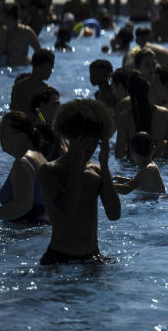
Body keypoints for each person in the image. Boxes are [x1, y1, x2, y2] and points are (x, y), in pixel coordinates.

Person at [37, 99, 121, 264]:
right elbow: (67, 213)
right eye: (84, 142)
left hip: (93, 256)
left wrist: (104, 165)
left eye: (94, 142)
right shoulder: (50, 171)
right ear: (70, 138)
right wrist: (76, 165)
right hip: (60, 257)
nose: (89, 148)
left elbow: (114, 214)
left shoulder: (96, 171)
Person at [0, 111, 48, 223]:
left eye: (3, 133)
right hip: (39, 232)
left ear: (20, 136)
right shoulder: (40, 157)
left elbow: (22, 206)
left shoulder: (22, 163)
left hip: (24, 234)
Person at [10, 48, 54, 113]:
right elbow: (42, 118)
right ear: (39, 67)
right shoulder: (46, 90)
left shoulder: (18, 86)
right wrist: (39, 114)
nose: (50, 72)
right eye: (49, 68)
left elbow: (13, 109)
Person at [0, 2, 42, 67]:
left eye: (3, 16)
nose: (0, 19)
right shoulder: (2, 32)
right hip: (4, 69)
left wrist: (34, 65)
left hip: (21, 69)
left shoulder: (26, 32)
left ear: (10, 17)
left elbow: (39, 52)